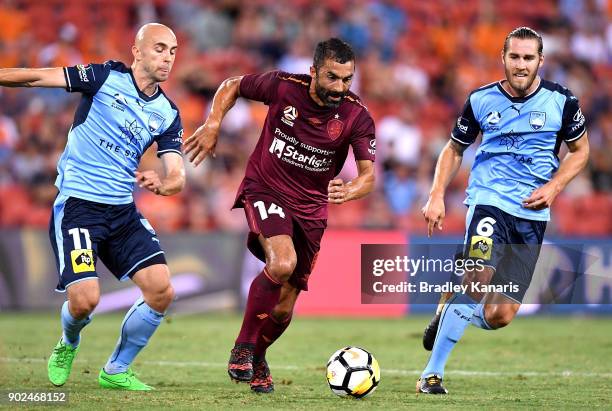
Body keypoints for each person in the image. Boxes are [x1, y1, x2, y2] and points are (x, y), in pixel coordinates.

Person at [184, 38, 376, 393]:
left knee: (285, 306)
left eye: (347, 80)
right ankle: (243, 347)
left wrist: (352, 189)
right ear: (314, 71)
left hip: (312, 209)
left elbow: (368, 176)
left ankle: (258, 355)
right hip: (267, 188)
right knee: (282, 262)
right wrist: (212, 124)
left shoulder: (355, 115)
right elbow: (232, 85)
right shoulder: (285, 86)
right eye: (332, 77)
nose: (339, 87)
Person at [0, 23, 185, 390]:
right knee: (85, 301)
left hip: (122, 213)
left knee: (162, 289)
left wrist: (164, 185)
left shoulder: (167, 112)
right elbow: (37, 78)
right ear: (137, 51)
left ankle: (115, 371)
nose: (167, 58)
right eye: (160, 48)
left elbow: (177, 173)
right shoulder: (103, 77)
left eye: (173, 51)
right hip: (79, 207)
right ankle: (69, 342)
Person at [418, 27, 589, 394]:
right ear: (504, 57)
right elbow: (453, 149)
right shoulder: (480, 100)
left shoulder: (563, 102)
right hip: (488, 203)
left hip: (532, 215)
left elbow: (581, 152)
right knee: (477, 279)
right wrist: (436, 194)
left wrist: (555, 186)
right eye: (515, 57)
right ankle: (432, 374)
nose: (521, 64)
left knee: (499, 315)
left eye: (529, 58)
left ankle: (449, 311)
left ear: (540, 60)